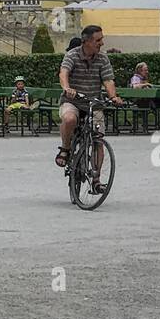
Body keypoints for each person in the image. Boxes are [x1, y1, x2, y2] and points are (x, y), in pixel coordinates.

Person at [58, 25, 120, 193]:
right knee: (69, 119)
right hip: (73, 100)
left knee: (98, 138)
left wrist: (113, 96)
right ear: (86, 41)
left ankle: (96, 179)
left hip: (93, 103)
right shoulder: (72, 55)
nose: (102, 43)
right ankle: (65, 149)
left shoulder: (102, 58)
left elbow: (108, 80)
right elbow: (63, 72)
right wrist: (67, 88)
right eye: (98, 40)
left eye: (102, 39)